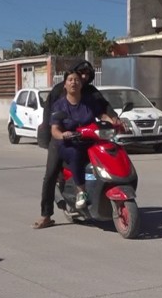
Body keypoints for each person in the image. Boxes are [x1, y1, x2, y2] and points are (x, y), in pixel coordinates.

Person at [33, 60, 118, 229]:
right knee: (50, 175)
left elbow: (103, 108)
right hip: (61, 139)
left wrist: (114, 119)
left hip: (85, 137)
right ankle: (46, 215)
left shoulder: (90, 92)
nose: (83, 77)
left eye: (87, 75)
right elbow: (50, 118)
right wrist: (55, 135)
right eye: (80, 74)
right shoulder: (59, 91)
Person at [50, 70, 118, 211]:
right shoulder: (59, 105)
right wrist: (63, 135)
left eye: (76, 80)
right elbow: (55, 129)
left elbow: (102, 115)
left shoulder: (88, 102)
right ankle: (81, 191)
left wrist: (114, 121)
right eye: (70, 80)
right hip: (69, 143)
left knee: (110, 149)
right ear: (65, 84)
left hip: (90, 140)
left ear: (81, 84)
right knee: (76, 154)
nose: (73, 82)